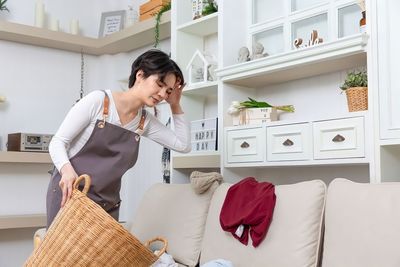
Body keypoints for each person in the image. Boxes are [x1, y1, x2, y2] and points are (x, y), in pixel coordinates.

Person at [46, 49, 191, 227]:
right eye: (159, 84)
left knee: (104, 256)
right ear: (140, 75)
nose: (162, 94)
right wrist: (66, 171)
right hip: (70, 195)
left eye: (168, 91)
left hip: (106, 205)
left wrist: (175, 104)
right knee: (63, 255)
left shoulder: (145, 122)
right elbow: (58, 142)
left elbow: (183, 145)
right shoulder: (98, 101)